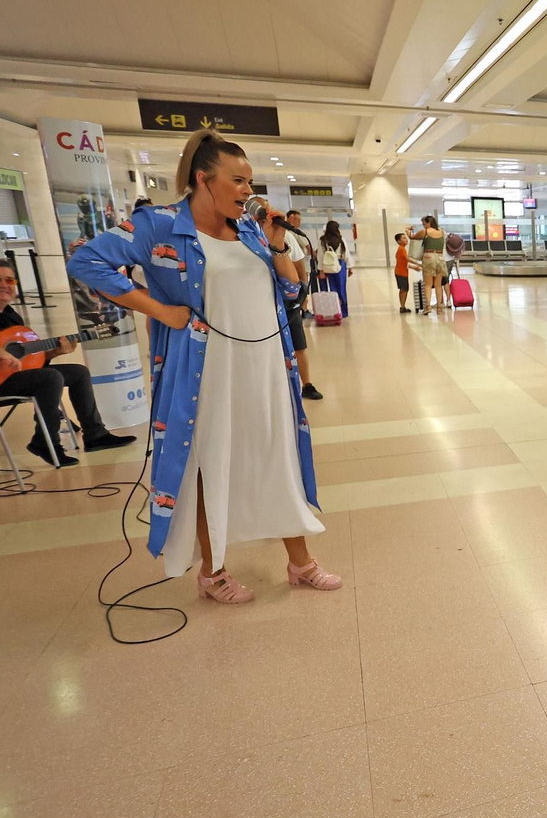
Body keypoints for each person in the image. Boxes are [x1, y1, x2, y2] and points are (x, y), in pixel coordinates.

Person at [67, 128, 341, 604]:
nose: (247, 190)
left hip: (265, 366)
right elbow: (86, 262)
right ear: (202, 178)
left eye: (249, 181)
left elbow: (292, 291)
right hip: (205, 369)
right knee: (206, 463)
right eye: (237, 180)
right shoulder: (158, 224)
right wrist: (160, 310)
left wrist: (278, 246)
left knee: (276, 453)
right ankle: (213, 573)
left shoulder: (249, 229)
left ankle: (300, 562)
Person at [0, 256, 136, 466]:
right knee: (49, 378)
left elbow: (25, 363)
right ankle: (45, 442)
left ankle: (95, 435)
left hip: (4, 378)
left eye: (9, 280)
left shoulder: (12, 317)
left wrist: (54, 353)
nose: (4, 285)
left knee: (78, 372)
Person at [271, 209, 321, 401]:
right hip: (266, 302)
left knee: (298, 343)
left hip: (288, 301)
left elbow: (299, 264)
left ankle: (306, 384)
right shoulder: (247, 236)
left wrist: (303, 293)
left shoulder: (286, 236)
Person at [409, 216, 448, 313]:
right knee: (438, 285)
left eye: (424, 224)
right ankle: (439, 307)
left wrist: (407, 230)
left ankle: (428, 307)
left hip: (428, 257)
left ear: (428, 223)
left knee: (428, 284)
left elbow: (411, 237)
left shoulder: (425, 232)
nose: (424, 226)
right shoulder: (442, 232)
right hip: (440, 257)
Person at [317, 221, 349, 317]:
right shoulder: (341, 240)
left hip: (327, 265)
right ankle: (343, 311)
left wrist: (321, 270)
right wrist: (349, 267)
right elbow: (346, 254)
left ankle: (333, 311)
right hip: (340, 265)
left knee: (331, 288)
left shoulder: (322, 240)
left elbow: (320, 256)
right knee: (341, 288)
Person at [395, 232, 420, 314]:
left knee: (403, 289)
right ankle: (402, 307)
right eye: (404, 238)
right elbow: (407, 259)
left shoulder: (401, 249)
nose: (406, 239)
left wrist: (414, 267)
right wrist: (418, 263)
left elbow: (404, 263)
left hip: (400, 272)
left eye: (406, 238)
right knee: (404, 290)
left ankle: (402, 306)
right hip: (401, 273)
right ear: (399, 241)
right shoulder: (401, 249)